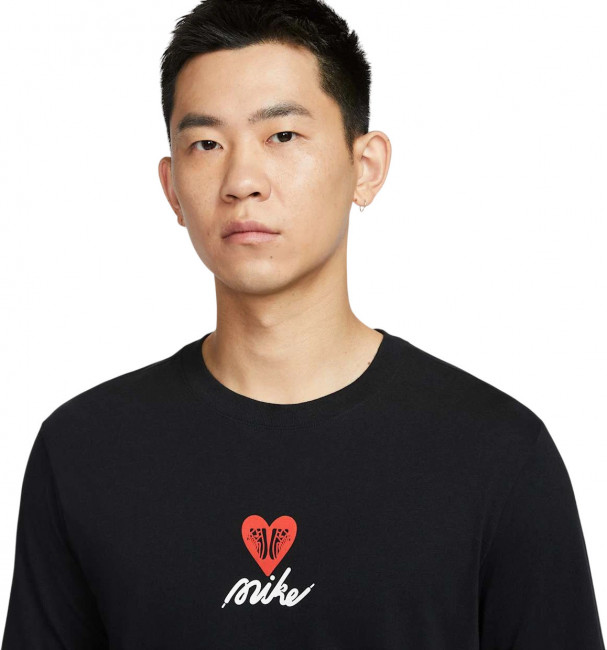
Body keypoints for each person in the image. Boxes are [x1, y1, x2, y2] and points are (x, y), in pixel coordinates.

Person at [1, 0, 605, 647]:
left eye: (282, 136)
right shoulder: (86, 452)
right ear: (172, 188)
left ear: (365, 167)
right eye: (206, 144)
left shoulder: (497, 454)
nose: (242, 180)